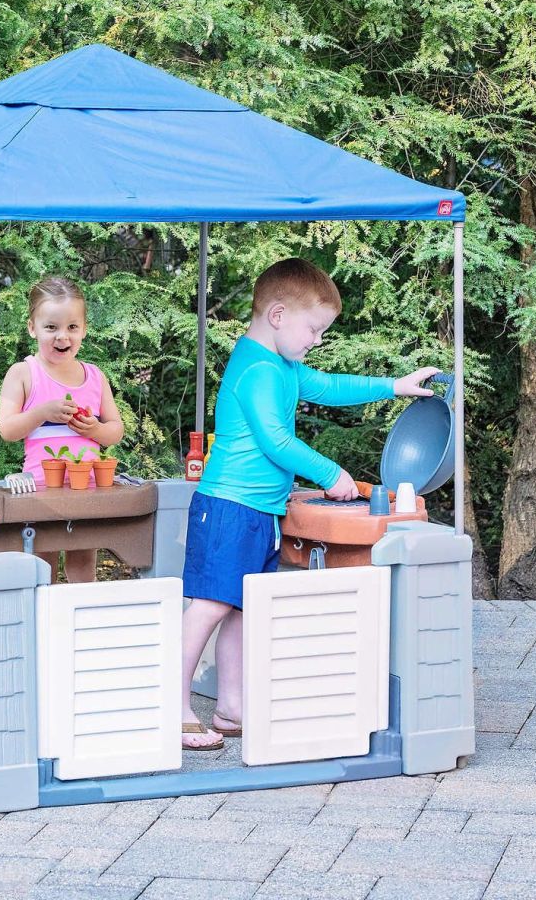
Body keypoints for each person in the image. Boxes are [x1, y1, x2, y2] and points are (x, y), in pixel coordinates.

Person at [181, 258, 440, 750]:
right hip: (229, 507)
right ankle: (171, 708)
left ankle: (231, 709)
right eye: (314, 329)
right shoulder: (257, 368)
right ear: (277, 315)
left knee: (239, 609)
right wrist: (331, 474)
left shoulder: (282, 364)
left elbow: (330, 386)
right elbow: (275, 440)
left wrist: (395, 385)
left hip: (259, 511)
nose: (317, 340)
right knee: (208, 607)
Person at [0, 276, 124, 583]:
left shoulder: (95, 376)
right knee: (44, 565)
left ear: (84, 329)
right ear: (32, 328)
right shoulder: (24, 373)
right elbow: (7, 429)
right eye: (50, 327)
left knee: (83, 565)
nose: (62, 337)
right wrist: (42, 413)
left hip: (86, 489)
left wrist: (94, 429)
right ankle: (45, 628)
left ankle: (83, 624)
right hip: (41, 492)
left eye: (72, 327)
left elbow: (115, 429)